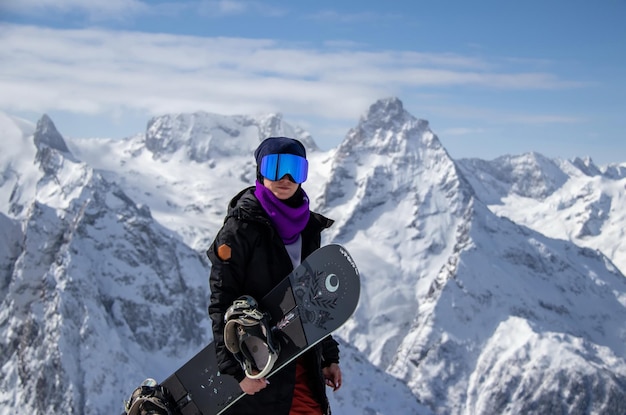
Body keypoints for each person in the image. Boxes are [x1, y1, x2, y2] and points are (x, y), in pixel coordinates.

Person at [206, 137, 342, 415]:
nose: (286, 177)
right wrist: (235, 372)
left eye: (295, 168)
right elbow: (222, 301)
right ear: (260, 171)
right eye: (276, 167)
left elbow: (312, 299)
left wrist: (328, 356)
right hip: (260, 361)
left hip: (303, 358)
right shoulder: (239, 230)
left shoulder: (309, 230)